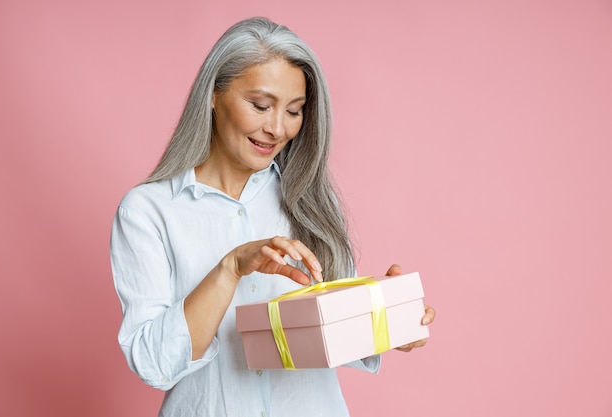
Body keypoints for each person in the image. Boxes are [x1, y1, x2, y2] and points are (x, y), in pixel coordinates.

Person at [110, 16, 435, 417]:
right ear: (213, 94)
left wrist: (386, 318)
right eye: (260, 105)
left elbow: (326, 334)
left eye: (295, 110)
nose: (278, 128)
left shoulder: (310, 201)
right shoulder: (148, 212)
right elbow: (154, 364)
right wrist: (229, 268)